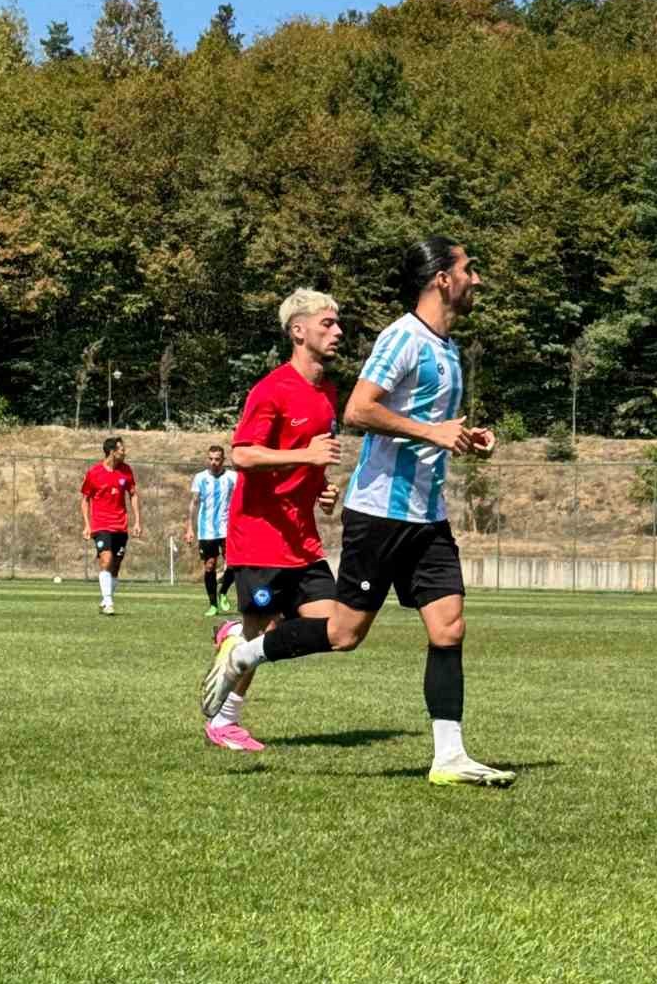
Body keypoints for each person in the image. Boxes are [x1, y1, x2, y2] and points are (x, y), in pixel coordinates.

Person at [201, 235, 514, 788]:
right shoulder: (403, 338)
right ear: (442, 277)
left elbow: (421, 425)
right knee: (345, 634)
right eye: (470, 269)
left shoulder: (448, 348)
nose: (477, 279)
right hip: (380, 515)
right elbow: (361, 409)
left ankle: (449, 756)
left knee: (449, 628)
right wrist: (433, 432)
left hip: (428, 515)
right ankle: (246, 654)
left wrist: (463, 436)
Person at [204, 289, 344, 751]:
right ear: (298, 330)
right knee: (261, 629)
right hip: (261, 536)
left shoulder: (327, 393)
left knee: (335, 627)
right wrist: (306, 455)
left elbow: (310, 462)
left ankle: (234, 636)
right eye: (327, 324)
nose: (338, 331)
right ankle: (225, 722)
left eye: (337, 323)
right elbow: (242, 453)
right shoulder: (270, 389)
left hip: (302, 539)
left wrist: (322, 489)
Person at [80, 436, 141, 614]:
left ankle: (106, 597)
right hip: (101, 525)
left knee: (115, 566)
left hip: (120, 525)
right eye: (121, 449)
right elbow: (85, 500)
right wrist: (87, 525)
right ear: (112, 452)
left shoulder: (126, 471)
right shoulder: (94, 473)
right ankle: (108, 602)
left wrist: (137, 521)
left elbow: (133, 495)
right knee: (106, 560)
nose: (124, 452)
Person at [185, 445, 238, 616]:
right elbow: (194, 502)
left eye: (217, 459)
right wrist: (189, 528)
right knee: (210, 566)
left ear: (223, 460)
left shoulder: (232, 477)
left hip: (227, 528)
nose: (214, 462)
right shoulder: (200, 478)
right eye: (211, 459)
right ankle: (213, 604)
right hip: (206, 531)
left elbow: (240, 500)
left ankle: (223, 592)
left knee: (234, 564)